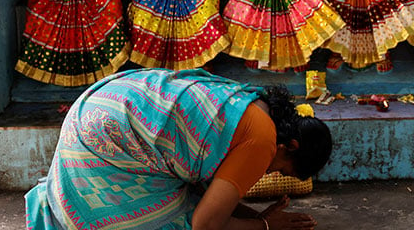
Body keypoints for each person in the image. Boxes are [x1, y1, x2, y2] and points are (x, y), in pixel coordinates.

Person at [25, 68, 332, 229]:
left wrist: (252, 216)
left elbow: (207, 195)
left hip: (87, 121)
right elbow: (205, 224)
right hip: (103, 151)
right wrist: (264, 226)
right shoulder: (263, 139)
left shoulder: (249, 103)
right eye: (279, 167)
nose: (267, 171)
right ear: (289, 145)